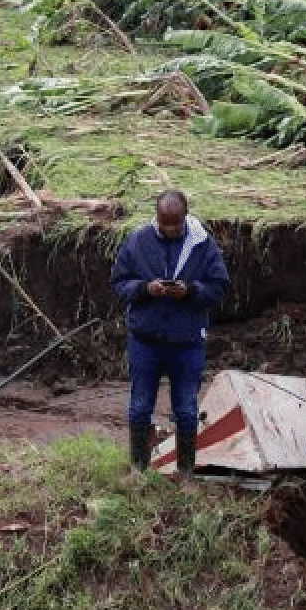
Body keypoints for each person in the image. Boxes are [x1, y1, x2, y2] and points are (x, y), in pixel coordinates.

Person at [111, 190, 231, 478]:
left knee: (187, 410)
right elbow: (119, 281)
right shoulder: (138, 241)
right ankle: (137, 470)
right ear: (157, 217)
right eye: (165, 223)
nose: (170, 230)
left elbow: (219, 287)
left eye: (175, 224)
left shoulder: (203, 245)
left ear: (185, 217)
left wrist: (190, 291)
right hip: (145, 341)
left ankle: (186, 473)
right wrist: (144, 289)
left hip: (187, 342)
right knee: (140, 406)